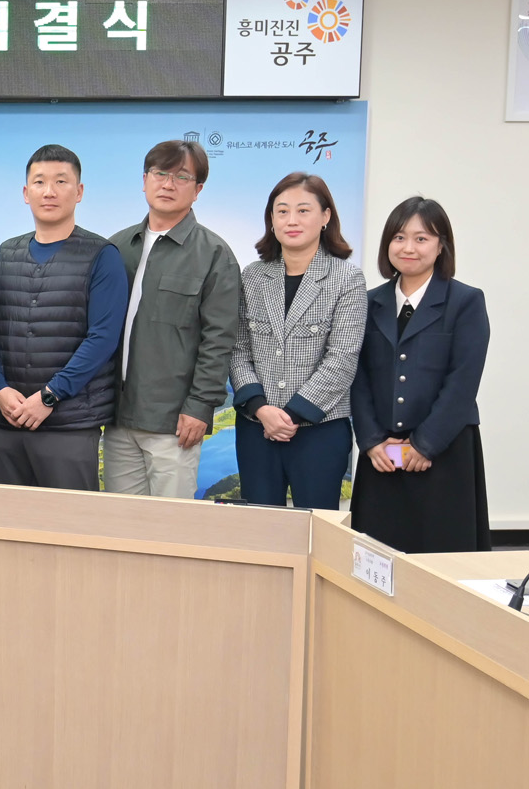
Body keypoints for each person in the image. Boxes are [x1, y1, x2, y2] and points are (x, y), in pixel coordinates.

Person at [0, 144, 128, 491]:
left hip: (70, 427)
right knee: (5, 519)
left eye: (61, 181)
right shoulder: (3, 254)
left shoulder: (102, 256)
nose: (49, 191)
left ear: (79, 192)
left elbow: (103, 337)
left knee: (70, 521)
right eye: (39, 182)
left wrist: (50, 396)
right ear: (25, 193)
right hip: (7, 422)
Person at [350, 198, 490, 551]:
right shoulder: (368, 302)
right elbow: (358, 377)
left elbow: (463, 382)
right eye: (399, 237)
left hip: (443, 451)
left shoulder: (465, 301)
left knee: (442, 559)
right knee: (376, 560)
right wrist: (371, 441)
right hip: (382, 455)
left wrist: (424, 445)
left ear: (441, 246)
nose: (408, 247)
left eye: (422, 238)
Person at [105, 140, 242, 498]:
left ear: (198, 190)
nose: (168, 184)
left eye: (181, 177)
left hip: (175, 424)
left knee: (171, 526)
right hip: (116, 418)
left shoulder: (214, 254)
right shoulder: (116, 247)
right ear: (145, 180)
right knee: (120, 523)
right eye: (160, 174)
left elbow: (219, 339)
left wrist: (200, 407)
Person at [229, 172, 366, 510]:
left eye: (303, 210)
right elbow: (237, 349)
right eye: (282, 211)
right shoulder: (252, 276)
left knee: (316, 529)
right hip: (257, 428)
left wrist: (289, 417)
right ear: (271, 220)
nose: (292, 220)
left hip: (320, 430)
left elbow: (342, 359)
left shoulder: (347, 278)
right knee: (261, 529)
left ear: (325, 216)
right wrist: (262, 410)